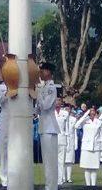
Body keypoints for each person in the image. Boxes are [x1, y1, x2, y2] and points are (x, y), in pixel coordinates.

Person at [36, 62, 59, 190]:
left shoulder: (51, 88)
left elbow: (45, 105)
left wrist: (38, 93)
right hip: (44, 126)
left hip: (50, 127)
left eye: (42, 70)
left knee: (50, 162)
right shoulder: (44, 87)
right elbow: (39, 110)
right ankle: (49, 186)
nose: (41, 73)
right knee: (46, 162)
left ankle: (51, 187)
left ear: (48, 72)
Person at [75, 107, 102, 187]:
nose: (92, 113)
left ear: (95, 112)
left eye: (93, 111)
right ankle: (88, 185)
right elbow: (76, 126)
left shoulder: (99, 122)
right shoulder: (85, 121)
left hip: (96, 146)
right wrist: (84, 115)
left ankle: (93, 185)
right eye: (90, 111)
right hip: (86, 146)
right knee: (87, 167)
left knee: (94, 168)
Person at [0, 81, 12, 187]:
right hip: (5, 122)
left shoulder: (22, 85)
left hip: (19, 123)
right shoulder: (1, 87)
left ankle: (16, 178)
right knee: (4, 153)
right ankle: (4, 180)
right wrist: (6, 92)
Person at [54, 100, 71, 185]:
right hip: (53, 139)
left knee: (61, 161)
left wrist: (68, 142)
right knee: (53, 161)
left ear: (61, 104)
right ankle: (53, 179)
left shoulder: (65, 113)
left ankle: (60, 180)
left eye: (59, 102)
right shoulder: (51, 112)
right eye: (56, 102)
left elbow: (67, 128)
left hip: (62, 138)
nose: (57, 103)